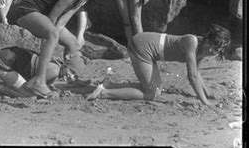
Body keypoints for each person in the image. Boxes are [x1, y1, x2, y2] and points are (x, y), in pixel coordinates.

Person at [8, 0, 105, 98]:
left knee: (73, 43)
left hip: (43, 16)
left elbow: (61, 22)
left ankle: (71, 78)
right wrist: (47, 42)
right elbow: (52, 19)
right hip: (24, 10)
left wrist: (54, 37)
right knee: (52, 34)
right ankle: (39, 81)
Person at [86, 24, 232, 105]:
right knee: (151, 93)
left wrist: (207, 93)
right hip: (142, 46)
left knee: (154, 90)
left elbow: (197, 72)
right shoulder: (192, 42)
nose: (212, 51)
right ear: (206, 39)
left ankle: (108, 84)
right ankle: (104, 93)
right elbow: (192, 76)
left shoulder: (201, 50)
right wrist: (205, 101)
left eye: (217, 50)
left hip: (149, 49)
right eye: (211, 45)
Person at [0, 46, 67, 98]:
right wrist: (49, 94)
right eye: (72, 72)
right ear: (67, 65)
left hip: (3, 56)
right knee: (28, 94)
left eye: (76, 76)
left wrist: (54, 91)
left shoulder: (55, 66)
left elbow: (45, 84)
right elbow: (30, 86)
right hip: (2, 62)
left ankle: (2, 84)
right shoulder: (55, 70)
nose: (72, 77)